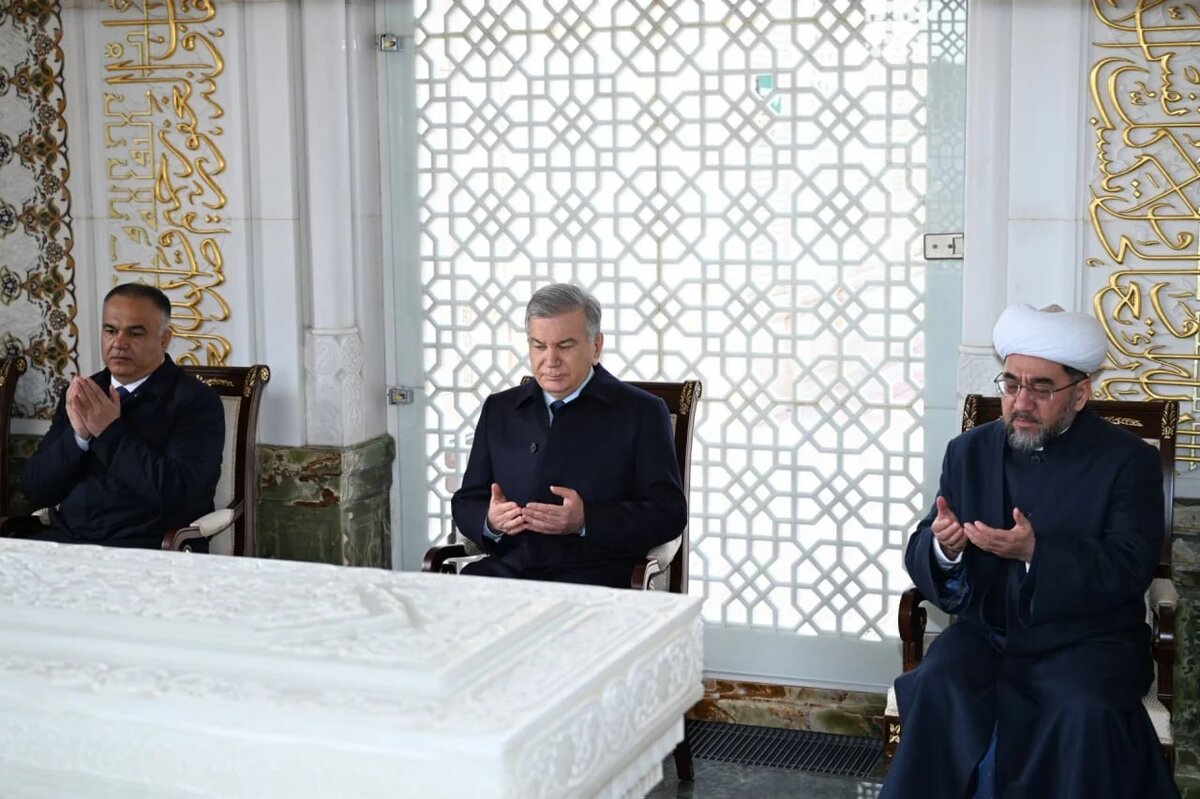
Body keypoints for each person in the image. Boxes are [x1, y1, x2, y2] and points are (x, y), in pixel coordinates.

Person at [882, 303, 1179, 798]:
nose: (1021, 402)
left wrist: (1037, 554)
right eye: (1011, 384)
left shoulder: (1127, 461)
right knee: (938, 683)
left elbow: (1131, 565)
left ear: (1079, 394)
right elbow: (928, 536)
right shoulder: (969, 451)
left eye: (1041, 388)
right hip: (988, 633)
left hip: (1087, 641)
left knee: (1082, 708)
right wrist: (944, 548)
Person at [450, 283, 687, 588]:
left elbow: (669, 513)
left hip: (596, 580)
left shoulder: (642, 412)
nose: (550, 360)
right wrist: (491, 520)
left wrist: (586, 520)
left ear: (596, 346)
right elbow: (467, 501)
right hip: (508, 575)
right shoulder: (500, 409)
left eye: (564, 346)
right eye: (539, 346)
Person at [19, 283, 225, 549]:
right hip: (68, 540)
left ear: (164, 339)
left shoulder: (196, 401)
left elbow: (181, 495)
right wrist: (79, 438)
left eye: (135, 333)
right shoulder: (84, 393)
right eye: (110, 331)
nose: (118, 343)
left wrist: (108, 432)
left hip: (147, 547)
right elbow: (35, 488)